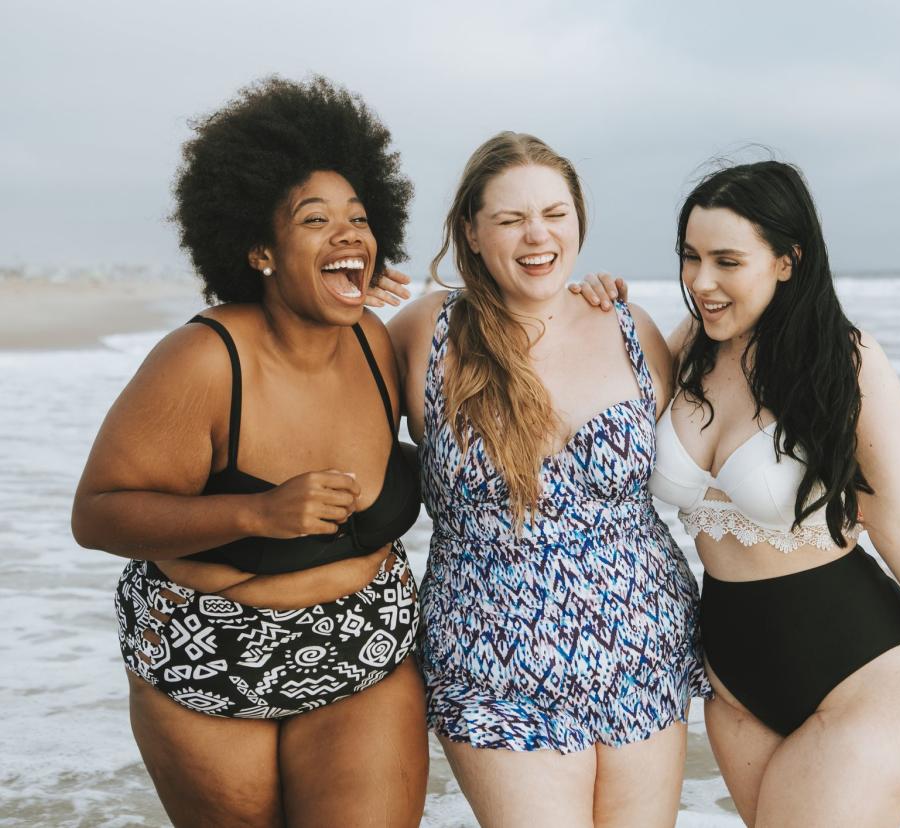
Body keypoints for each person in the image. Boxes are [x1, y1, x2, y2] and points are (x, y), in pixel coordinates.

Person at [572, 161, 900, 827]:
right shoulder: (691, 346)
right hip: (733, 680)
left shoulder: (847, 363)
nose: (701, 281)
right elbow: (589, 411)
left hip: (859, 671)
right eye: (690, 257)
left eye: (728, 261)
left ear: (788, 261)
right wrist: (586, 306)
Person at [71, 77, 428, 826]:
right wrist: (257, 512)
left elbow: (502, 339)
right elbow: (99, 516)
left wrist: (593, 297)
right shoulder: (203, 360)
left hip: (364, 654)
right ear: (261, 249)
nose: (350, 235)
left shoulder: (377, 344)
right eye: (316, 220)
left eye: (360, 220)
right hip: (211, 659)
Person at [383, 132, 709, 827]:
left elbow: (722, 429)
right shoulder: (425, 332)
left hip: (641, 643)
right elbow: (322, 418)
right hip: (490, 657)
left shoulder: (627, 324)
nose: (538, 236)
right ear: (471, 232)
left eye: (556, 214)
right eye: (510, 219)